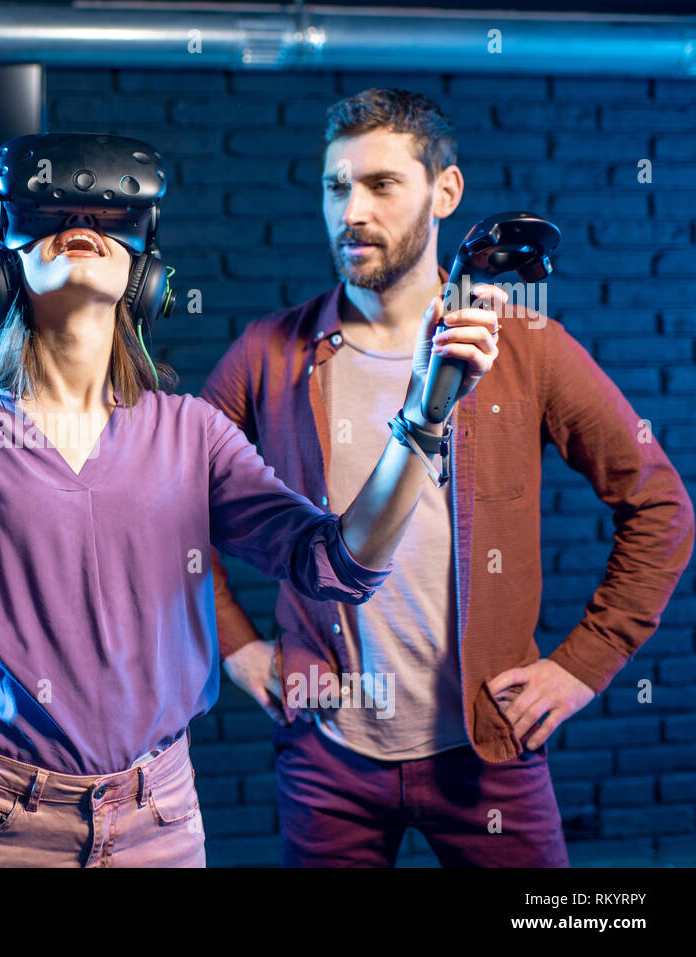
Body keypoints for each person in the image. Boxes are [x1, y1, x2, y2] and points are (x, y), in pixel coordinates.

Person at [0, 132, 501, 867]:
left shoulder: (192, 433)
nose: (83, 224)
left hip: (158, 814)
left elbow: (339, 562)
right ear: (0, 267)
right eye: (55, 216)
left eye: (109, 218)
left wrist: (424, 417)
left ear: (146, 276)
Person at [202, 89, 695, 867]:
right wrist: (236, 647)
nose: (350, 211)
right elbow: (165, 502)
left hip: (486, 749)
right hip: (327, 756)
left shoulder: (525, 345)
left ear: (446, 192)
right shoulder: (270, 352)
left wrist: (580, 665)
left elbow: (661, 505)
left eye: (380, 185)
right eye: (336, 187)